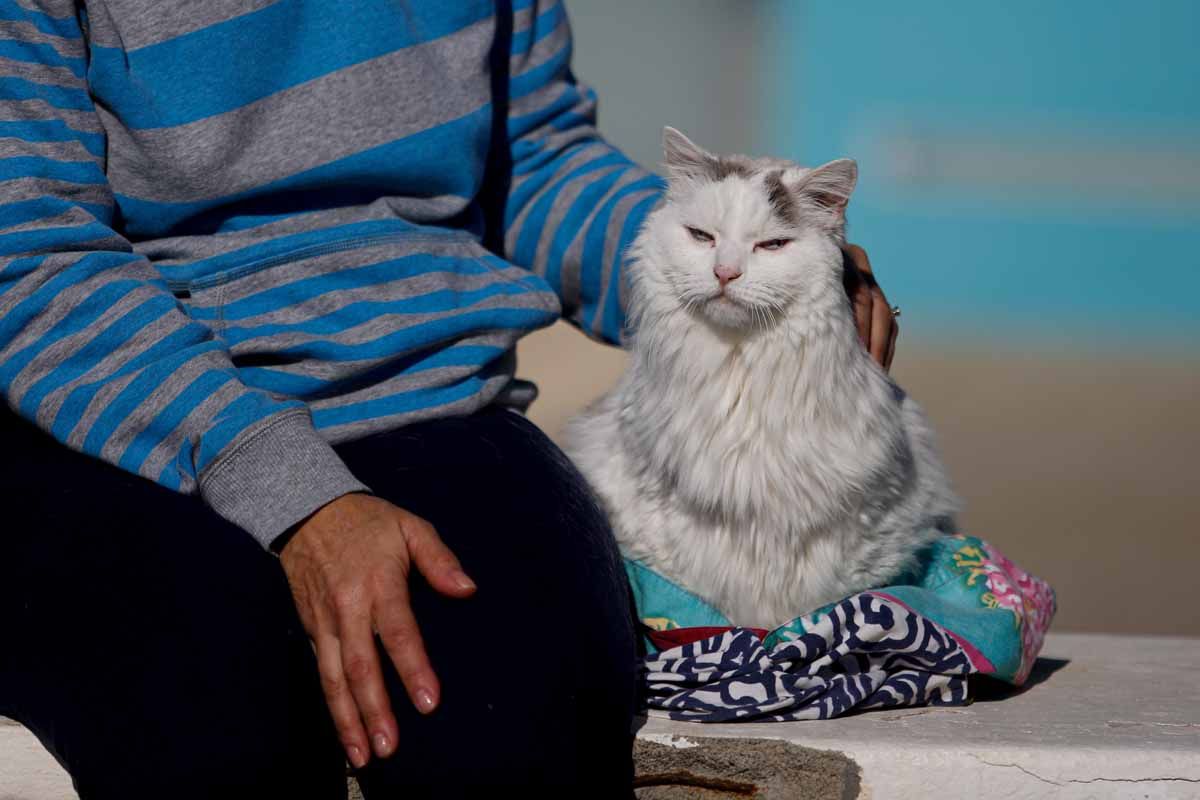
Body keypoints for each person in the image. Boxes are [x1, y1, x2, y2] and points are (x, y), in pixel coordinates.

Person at [0, 1, 897, 797]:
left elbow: (527, 156)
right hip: (108, 406)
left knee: (515, 732)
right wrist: (296, 495)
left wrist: (722, 280)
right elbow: (27, 247)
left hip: (429, 395)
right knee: (219, 721)